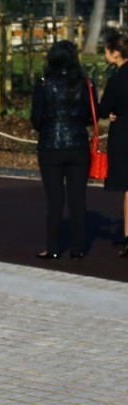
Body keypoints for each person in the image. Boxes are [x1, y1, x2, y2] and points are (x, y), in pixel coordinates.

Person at [30, 40, 95, 260]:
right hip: (78, 144)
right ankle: (78, 247)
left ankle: (53, 247)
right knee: (78, 199)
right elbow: (91, 116)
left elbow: (36, 118)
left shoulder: (44, 84)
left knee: (54, 200)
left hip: (51, 145)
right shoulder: (85, 84)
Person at [100, 32, 128, 257]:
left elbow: (103, 109)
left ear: (116, 53)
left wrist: (110, 113)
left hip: (124, 134)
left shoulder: (117, 80)